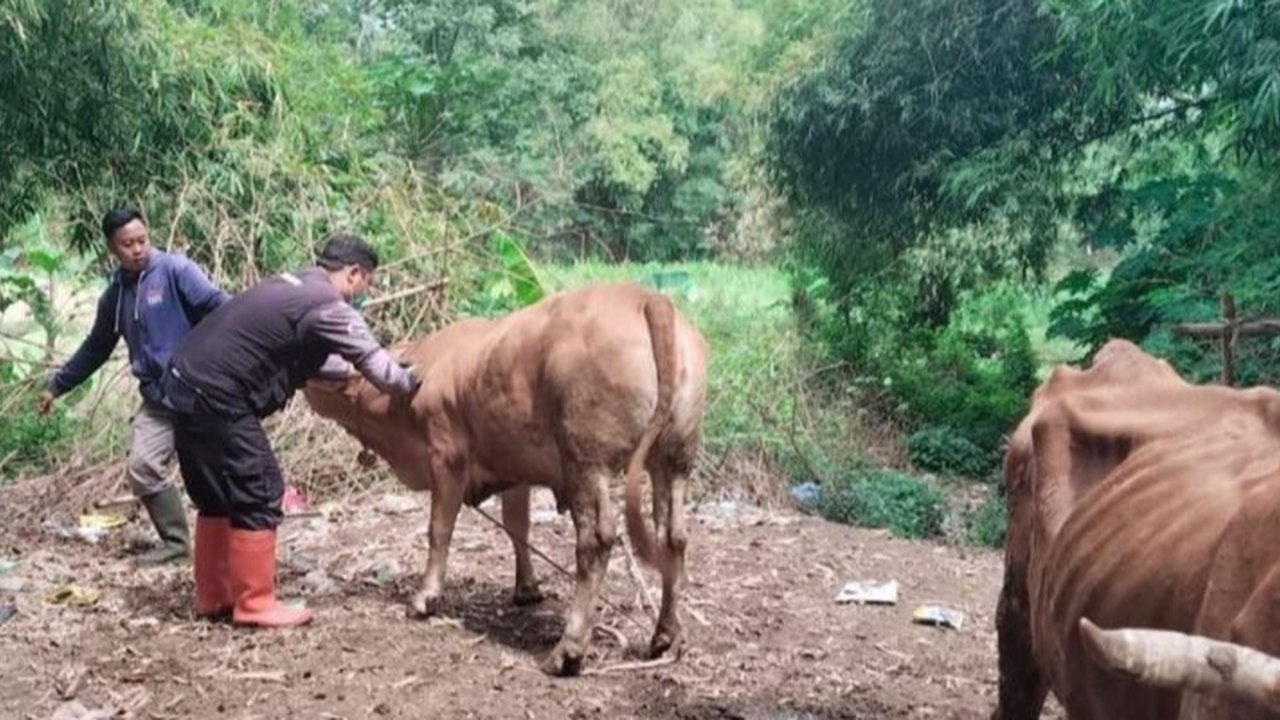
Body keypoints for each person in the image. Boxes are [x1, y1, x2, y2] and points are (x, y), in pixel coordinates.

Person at [162, 232, 420, 628]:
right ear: (354, 273)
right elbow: (382, 370)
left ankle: (214, 596)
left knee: (216, 494)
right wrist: (414, 380)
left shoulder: (291, 285)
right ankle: (255, 604)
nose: (365, 292)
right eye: (367, 282)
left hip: (182, 382)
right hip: (218, 394)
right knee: (261, 489)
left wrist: (349, 374)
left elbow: (305, 359)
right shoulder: (328, 304)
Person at [38, 206, 229, 565]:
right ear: (112, 248)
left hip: (197, 392)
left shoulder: (176, 271)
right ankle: (176, 545)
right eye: (128, 244)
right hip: (156, 399)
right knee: (142, 467)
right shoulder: (114, 296)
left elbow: (221, 307)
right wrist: (56, 386)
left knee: (212, 470)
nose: (138, 249)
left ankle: (232, 543)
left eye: (142, 240)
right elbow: (96, 347)